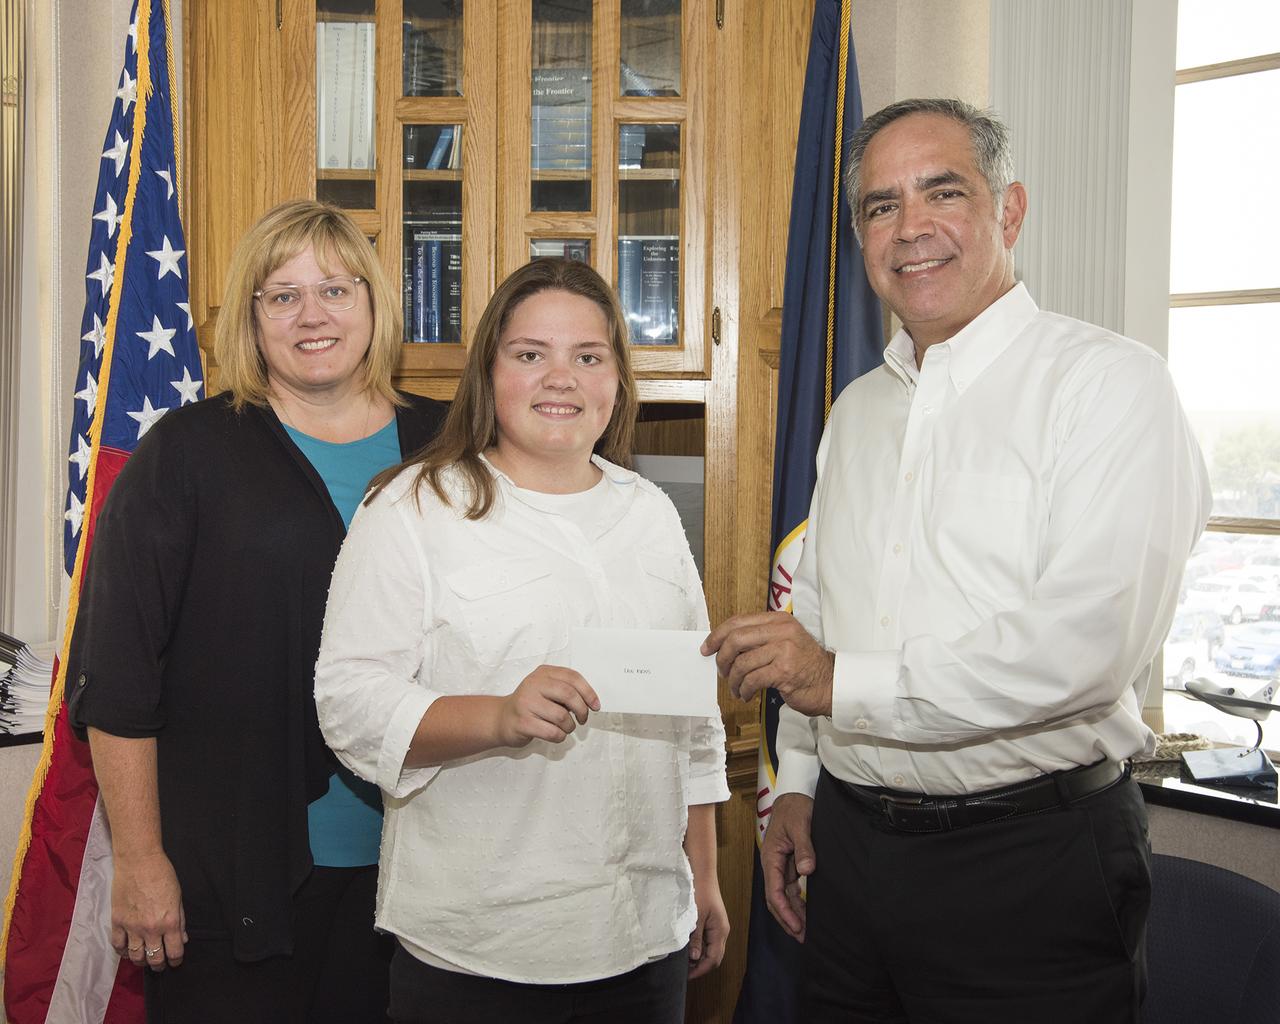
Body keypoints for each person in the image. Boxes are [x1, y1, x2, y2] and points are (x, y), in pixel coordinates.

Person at [703, 98, 1211, 1023]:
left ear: (1008, 211)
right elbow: (819, 612)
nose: (911, 228)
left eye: (943, 192)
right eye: (880, 206)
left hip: (1028, 866)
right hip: (850, 860)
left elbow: (1082, 650)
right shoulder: (857, 409)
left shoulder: (1109, 388)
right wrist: (802, 789)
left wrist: (835, 680)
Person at [313, 257, 730, 1024]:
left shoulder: (651, 515)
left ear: (616, 379)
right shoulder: (413, 507)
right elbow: (349, 705)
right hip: (479, 954)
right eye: (531, 354)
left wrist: (702, 876)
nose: (560, 378)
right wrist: (499, 715)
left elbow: (690, 713)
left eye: (588, 356)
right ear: (490, 372)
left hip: (644, 942)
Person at [67, 199, 447, 1023]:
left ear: (376, 305)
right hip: (234, 886)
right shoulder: (188, 452)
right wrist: (138, 860)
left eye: (337, 289)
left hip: (430, 882)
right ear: (251, 319)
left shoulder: (450, 448)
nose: (312, 314)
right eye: (282, 295)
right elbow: (121, 676)